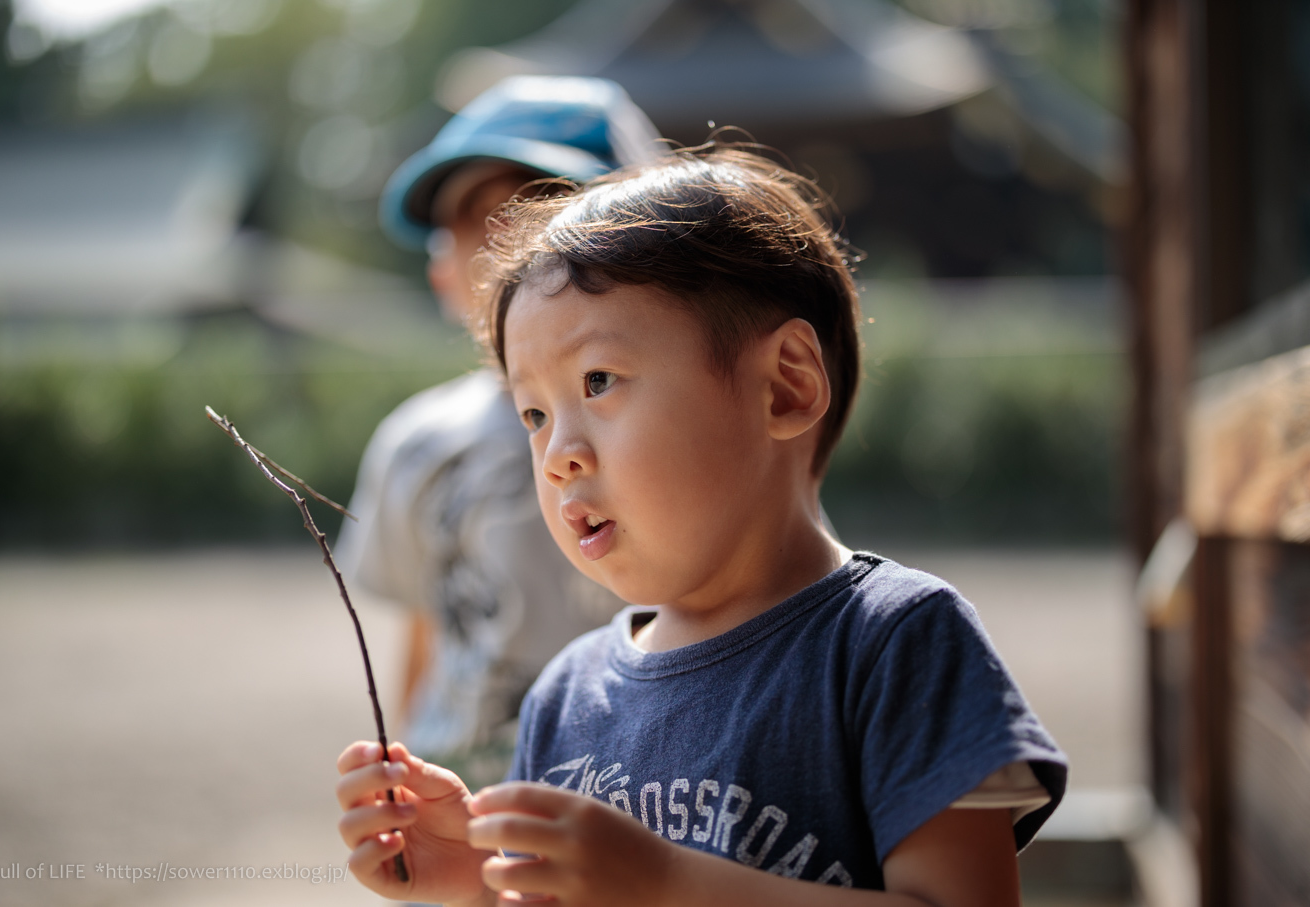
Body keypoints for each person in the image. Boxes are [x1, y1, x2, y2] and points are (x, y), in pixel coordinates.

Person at [334, 146, 1068, 906]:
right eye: (534, 414)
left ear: (785, 386)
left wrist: (664, 883)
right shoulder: (563, 697)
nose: (557, 455)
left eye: (599, 381)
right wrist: (481, 883)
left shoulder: (893, 642)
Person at [336, 76, 664, 788]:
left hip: (645, 807)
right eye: (469, 225)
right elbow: (429, 634)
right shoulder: (419, 444)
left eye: (538, 208)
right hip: (473, 816)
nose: (505, 250)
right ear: (442, 273)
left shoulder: (689, 428)